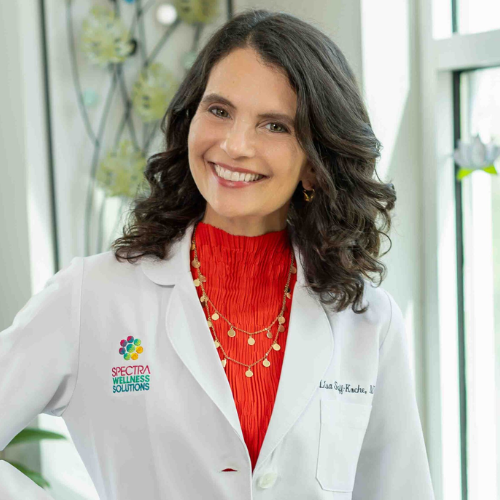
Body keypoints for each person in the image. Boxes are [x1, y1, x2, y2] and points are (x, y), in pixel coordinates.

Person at [0, 8, 435, 500]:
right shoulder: (91, 297)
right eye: (220, 111)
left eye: (275, 125)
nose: (234, 145)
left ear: (316, 165)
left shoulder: (368, 321)